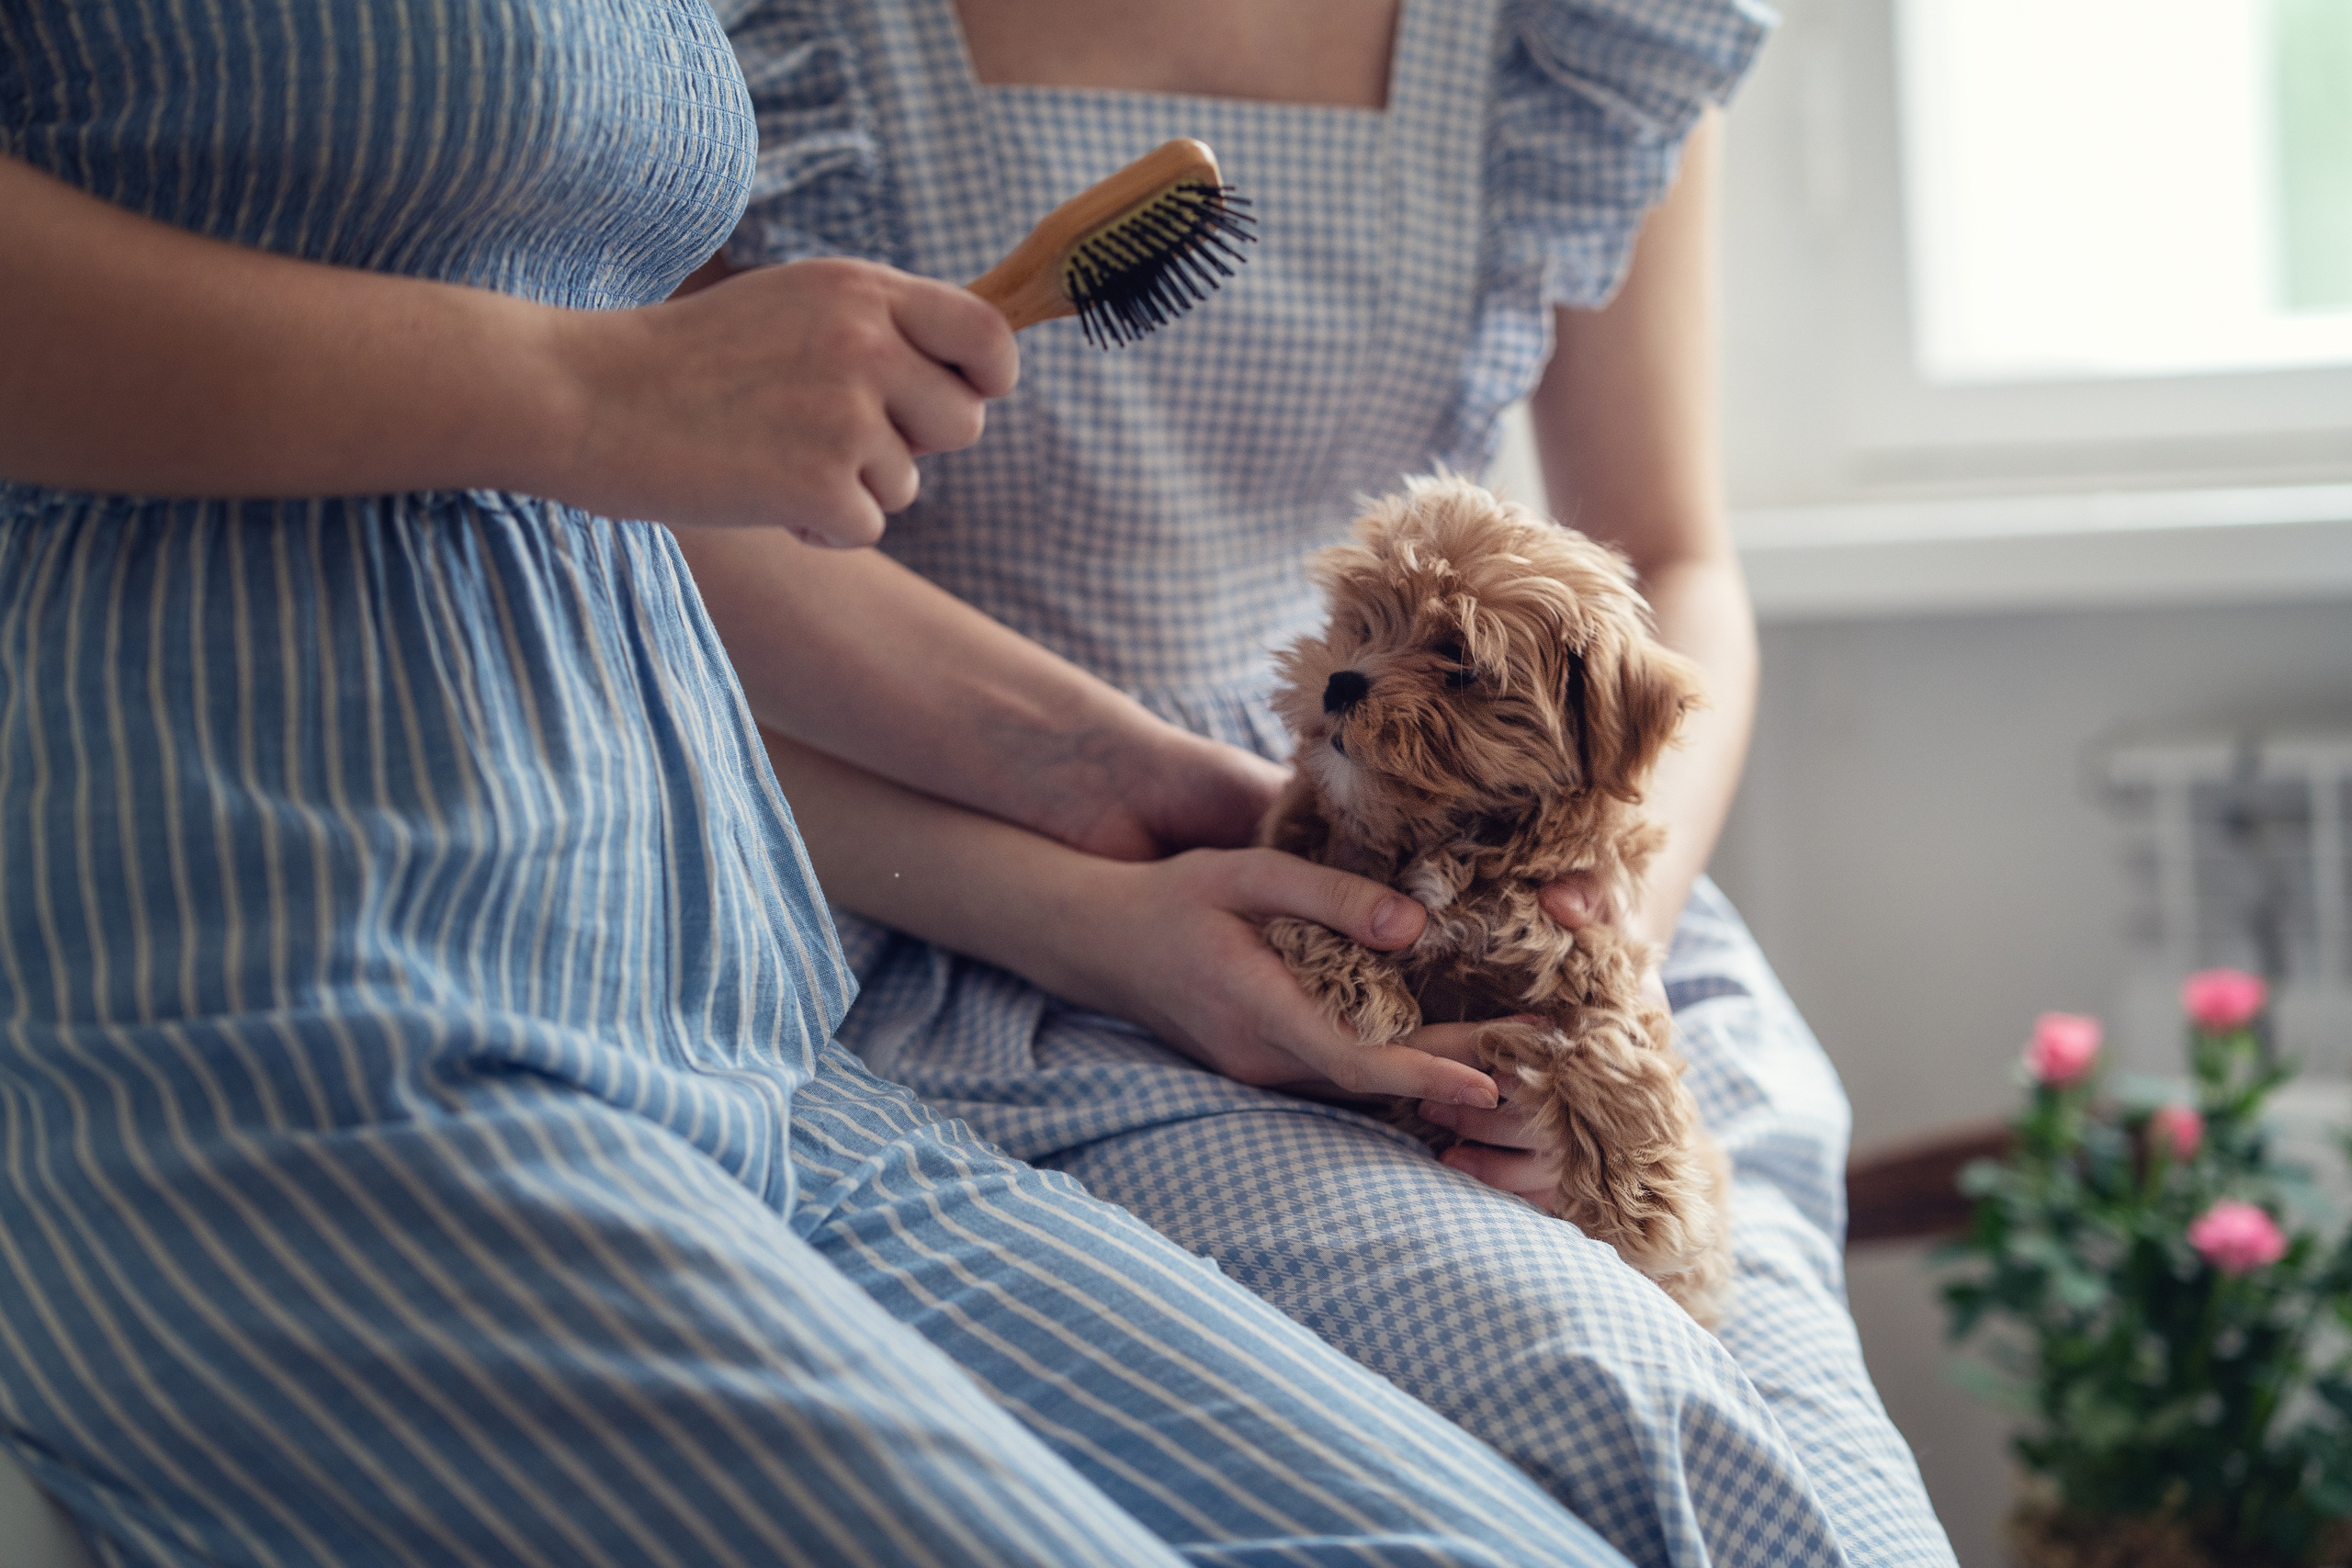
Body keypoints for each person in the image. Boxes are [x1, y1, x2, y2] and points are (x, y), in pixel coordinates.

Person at [0, 2, 1682, 1562]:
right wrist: (588, 386)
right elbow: (563, 425)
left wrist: (1108, 777)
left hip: (747, 1030)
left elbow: (574, 495)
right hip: (287, 995)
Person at [680, 0, 1960, 1565]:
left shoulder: (1583, 36)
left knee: (1845, 1517)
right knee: (1624, 1422)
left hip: (1495, 860)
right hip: (971, 898)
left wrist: (1581, 937)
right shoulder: (759, 42)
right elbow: (663, 525)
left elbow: (1673, 554)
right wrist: (1101, 902)